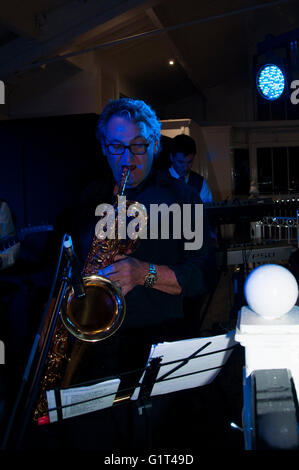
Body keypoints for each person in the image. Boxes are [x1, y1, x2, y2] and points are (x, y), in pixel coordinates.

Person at [23, 98, 215, 451]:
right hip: (94, 353)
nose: (128, 157)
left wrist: (145, 273)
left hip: (154, 349)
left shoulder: (183, 199)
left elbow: (203, 274)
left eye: (139, 145)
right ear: (104, 146)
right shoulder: (88, 198)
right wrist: (55, 303)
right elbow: (63, 263)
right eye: (117, 146)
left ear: (154, 144)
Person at [169, 133, 213, 203]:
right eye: (180, 162)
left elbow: (206, 211)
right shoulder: (159, 181)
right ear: (171, 157)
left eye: (189, 162)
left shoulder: (200, 182)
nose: (185, 168)